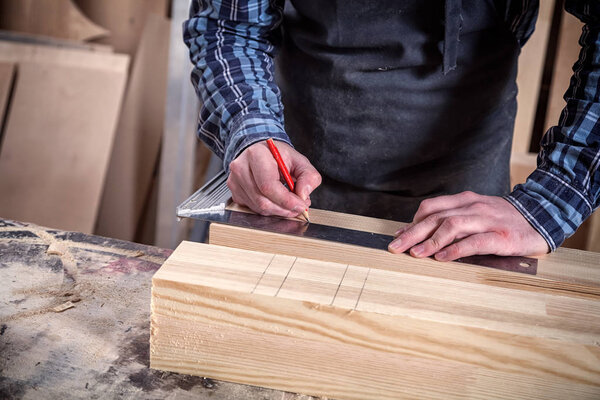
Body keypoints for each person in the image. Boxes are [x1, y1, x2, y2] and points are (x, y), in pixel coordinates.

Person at [183, 1, 599, 261]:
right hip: (290, 151)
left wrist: (554, 198)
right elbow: (228, 27)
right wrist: (252, 129)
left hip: (468, 173)